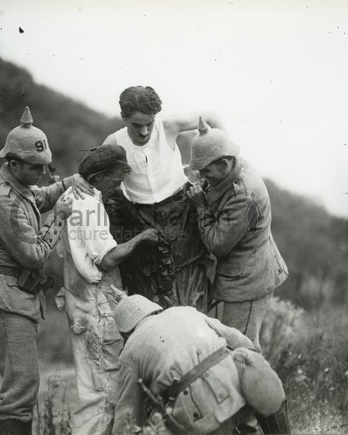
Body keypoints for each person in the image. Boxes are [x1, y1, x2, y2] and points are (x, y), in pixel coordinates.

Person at [0, 106, 92, 435]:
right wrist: (61, 215)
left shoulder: (16, 185)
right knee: (20, 388)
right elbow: (34, 256)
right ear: (13, 163)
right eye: (34, 167)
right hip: (6, 298)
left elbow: (37, 196)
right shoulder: (4, 201)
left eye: (44, 166)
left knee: (22, 386)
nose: (42, 173)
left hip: (16, 297)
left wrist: (69, 182)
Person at [56, 145, 160, 435]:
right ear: (99, 176)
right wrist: (142, 238)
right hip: (96, 303)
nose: (118, 184)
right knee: (104, 391)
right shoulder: (87, 205)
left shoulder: (73, 196)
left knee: (93, 388)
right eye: (115, 178)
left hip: (82, 302)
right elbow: (107, 258)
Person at [102, 85, 226, 311]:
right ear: (124, 117)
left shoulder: (168, 126)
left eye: (149, 123)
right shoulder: (114, 142)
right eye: (136, 125)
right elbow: (94, 173)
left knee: (191, 285)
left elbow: (211, 117)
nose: (144, 132)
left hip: (182, 209)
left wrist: (221, 151)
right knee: (151, 291)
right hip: (141, 219)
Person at [111, 294, 291, 435]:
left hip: (200, 413)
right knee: (262, 382)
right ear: (154, 310)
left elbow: (127, 416)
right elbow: (242, 342)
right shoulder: (183, 311)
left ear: (126, 332)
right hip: (243, 385)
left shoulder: (130, 350)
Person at [185, 117, 288, 352]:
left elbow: (217, 244)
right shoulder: (233, 163)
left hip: (249, 280)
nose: (203, 177)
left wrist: (201, 207)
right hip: (238, 274)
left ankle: (258, 389)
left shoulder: (245, 194)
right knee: (233, 343)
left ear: (224, 163)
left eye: (206, 170)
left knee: (242, 348)